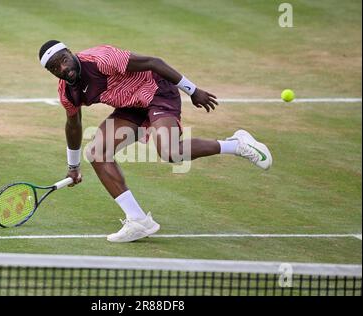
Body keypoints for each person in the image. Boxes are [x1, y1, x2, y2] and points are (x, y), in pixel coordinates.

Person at [38, 40, 272, 243]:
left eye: (63, 60)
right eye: (54, 68)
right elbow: (74, 125)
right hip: (131, 106)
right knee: (97, 153)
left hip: (156, 91)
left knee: (171, 152)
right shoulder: (68, 93)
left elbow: (153, 62)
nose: (63, 68)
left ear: (70, 52)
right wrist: (73, 166)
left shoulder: (101, 59)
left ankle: (237, 144)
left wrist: (193, 90)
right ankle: (138, 221)